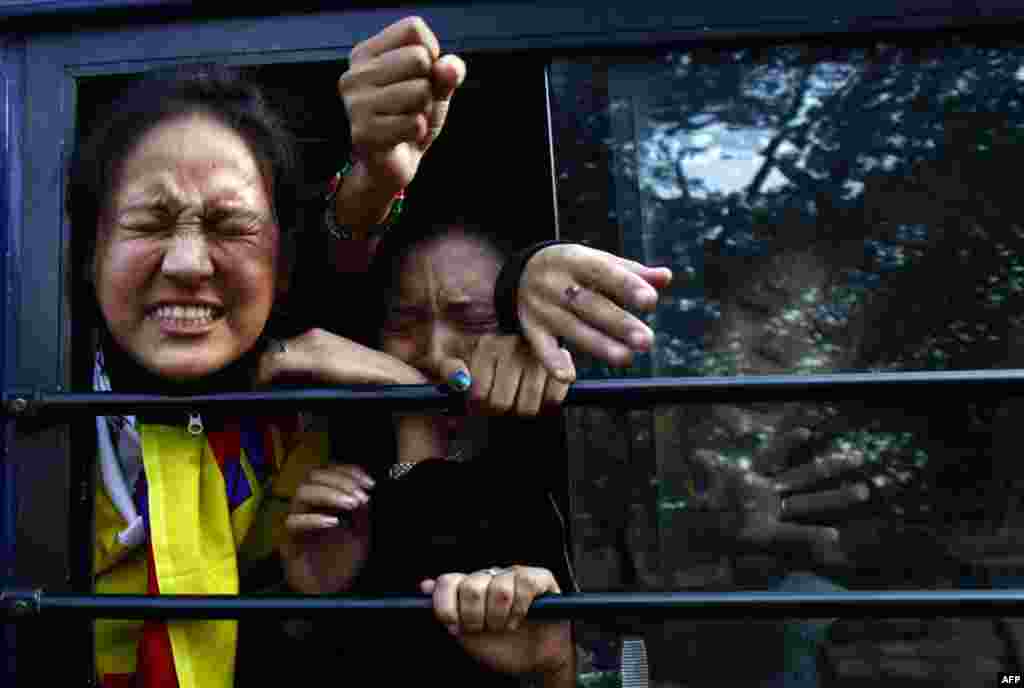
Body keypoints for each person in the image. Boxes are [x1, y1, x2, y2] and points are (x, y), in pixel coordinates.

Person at [73, 16, 672, 688]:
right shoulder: (287, 428)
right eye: (149, 222)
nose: (187, 262)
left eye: (470, 317)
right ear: (89, 252)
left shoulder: (597, 456)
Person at [281, 222, 586, 687]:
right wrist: (306, 596)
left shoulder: (575, 462)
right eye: (403, 322)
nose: (435, 350)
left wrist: (557, 666)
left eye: (473, 322)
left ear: (522, 335)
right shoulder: (338, 478)